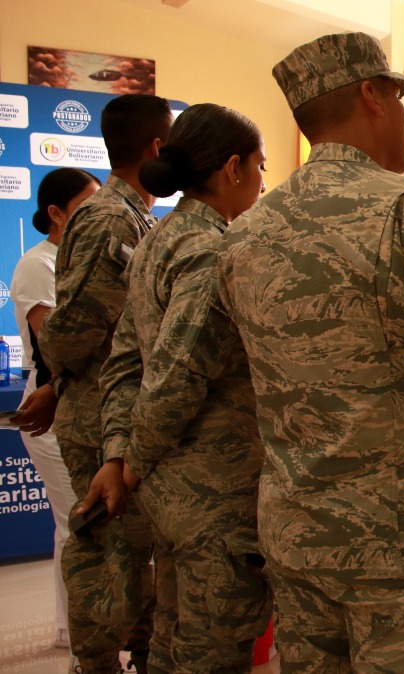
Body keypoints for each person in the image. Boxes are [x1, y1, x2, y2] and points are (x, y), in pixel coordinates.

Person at [216, 32, 404, 673]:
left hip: (296, 535)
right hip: (399, 544)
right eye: (401, 97)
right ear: (372, 96)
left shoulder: (245, 233)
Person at [97, 103, 271, 674]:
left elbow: (123, 362)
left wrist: (121, 450)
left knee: (173, 641)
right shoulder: (214, 251)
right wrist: (133, 462)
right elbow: (176, 375)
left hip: (170, 491)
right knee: (211, 653)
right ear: (233, 168)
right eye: (260, 166)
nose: (264, 181)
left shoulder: (157, 239)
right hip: (211, 496)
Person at [39, 93, 171, 674]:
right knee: (105, 552)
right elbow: (73, 328)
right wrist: (61, 378)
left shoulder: (134, 214)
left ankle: (136, 654)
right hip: (99, 414)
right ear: (158, 147)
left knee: (134, 551)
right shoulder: (112, 217)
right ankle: (93, 663)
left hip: (117, 409)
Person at [10, 167, 101, 652]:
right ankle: (76, 632)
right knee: (75, 520)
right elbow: (53, 344)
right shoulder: (37, 264)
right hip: (51, 400)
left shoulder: (83, 260)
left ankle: (93, 627)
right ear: (56, 213)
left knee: (85, 518)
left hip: (86, 400)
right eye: (86, 205)